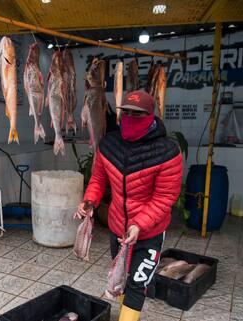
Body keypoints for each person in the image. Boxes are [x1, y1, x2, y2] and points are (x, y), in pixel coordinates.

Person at [75, 90, 183, 321]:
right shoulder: (109, 144)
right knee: (121, 278)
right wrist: (90, 201)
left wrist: (139, 224)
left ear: (151, 116)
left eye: (138, 114)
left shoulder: (168, 152)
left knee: (137, 284)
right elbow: (98, 179)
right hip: (117, 228)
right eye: (127, 113)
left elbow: (165, 197)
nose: (131, 119)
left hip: (149, 232)